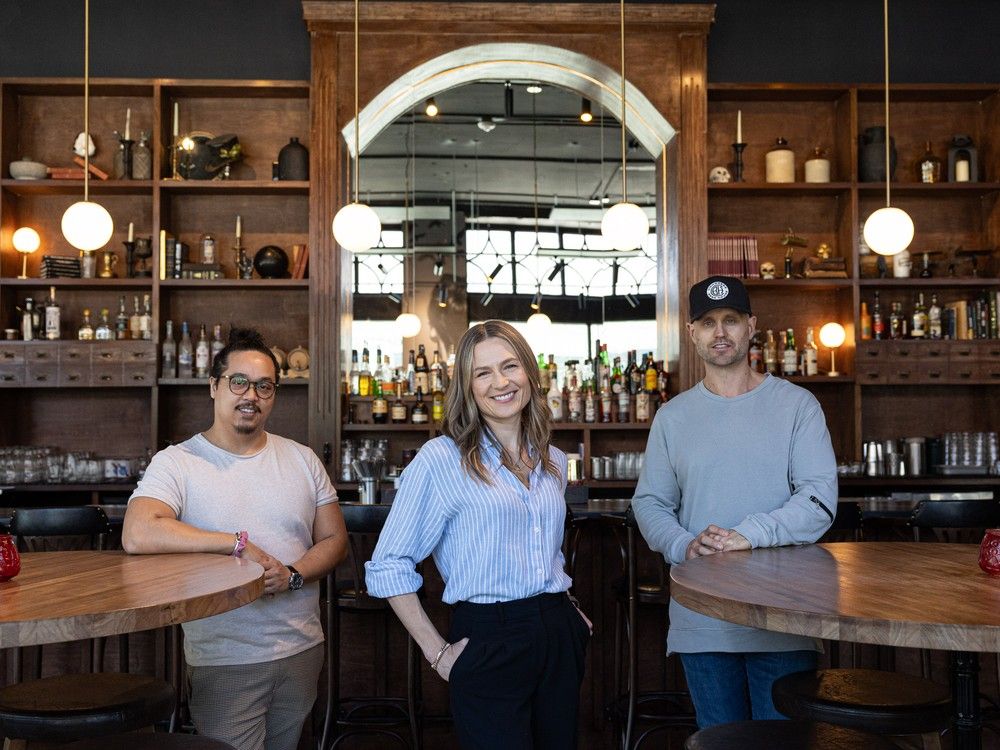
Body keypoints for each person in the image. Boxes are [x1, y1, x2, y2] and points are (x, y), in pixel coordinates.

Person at [365, 320, 590, 750]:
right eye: (482, 373)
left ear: (530, 373)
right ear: (467, 388)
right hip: (489, 637)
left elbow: (544, 549)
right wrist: (437, 653)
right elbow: (388, 565)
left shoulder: (554, 460)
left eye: (510, 366)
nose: (501, 382)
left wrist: (570, 612)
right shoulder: (441, 460)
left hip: (558, 632)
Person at [122, 327, 347, 750]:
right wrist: (234, 544)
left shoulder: (302, 459)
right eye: (239, 382)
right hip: (225, 656)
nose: (251, 396)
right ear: (214, 386)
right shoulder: (178, 462)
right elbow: (138, 531)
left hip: (301, 646)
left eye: (264, 386)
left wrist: (293, 574)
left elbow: (335, 539)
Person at [631, 275, 837, 728]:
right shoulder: (672, 417)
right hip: (702, 616)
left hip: (784, 617)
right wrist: (684, 544)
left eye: (731, 320)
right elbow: (649, 504)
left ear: (751, 326)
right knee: (719, 740)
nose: (720, 332)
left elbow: (819, 500)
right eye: (708, 322)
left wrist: (748, 534)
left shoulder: (798, 406)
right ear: (692, 332)